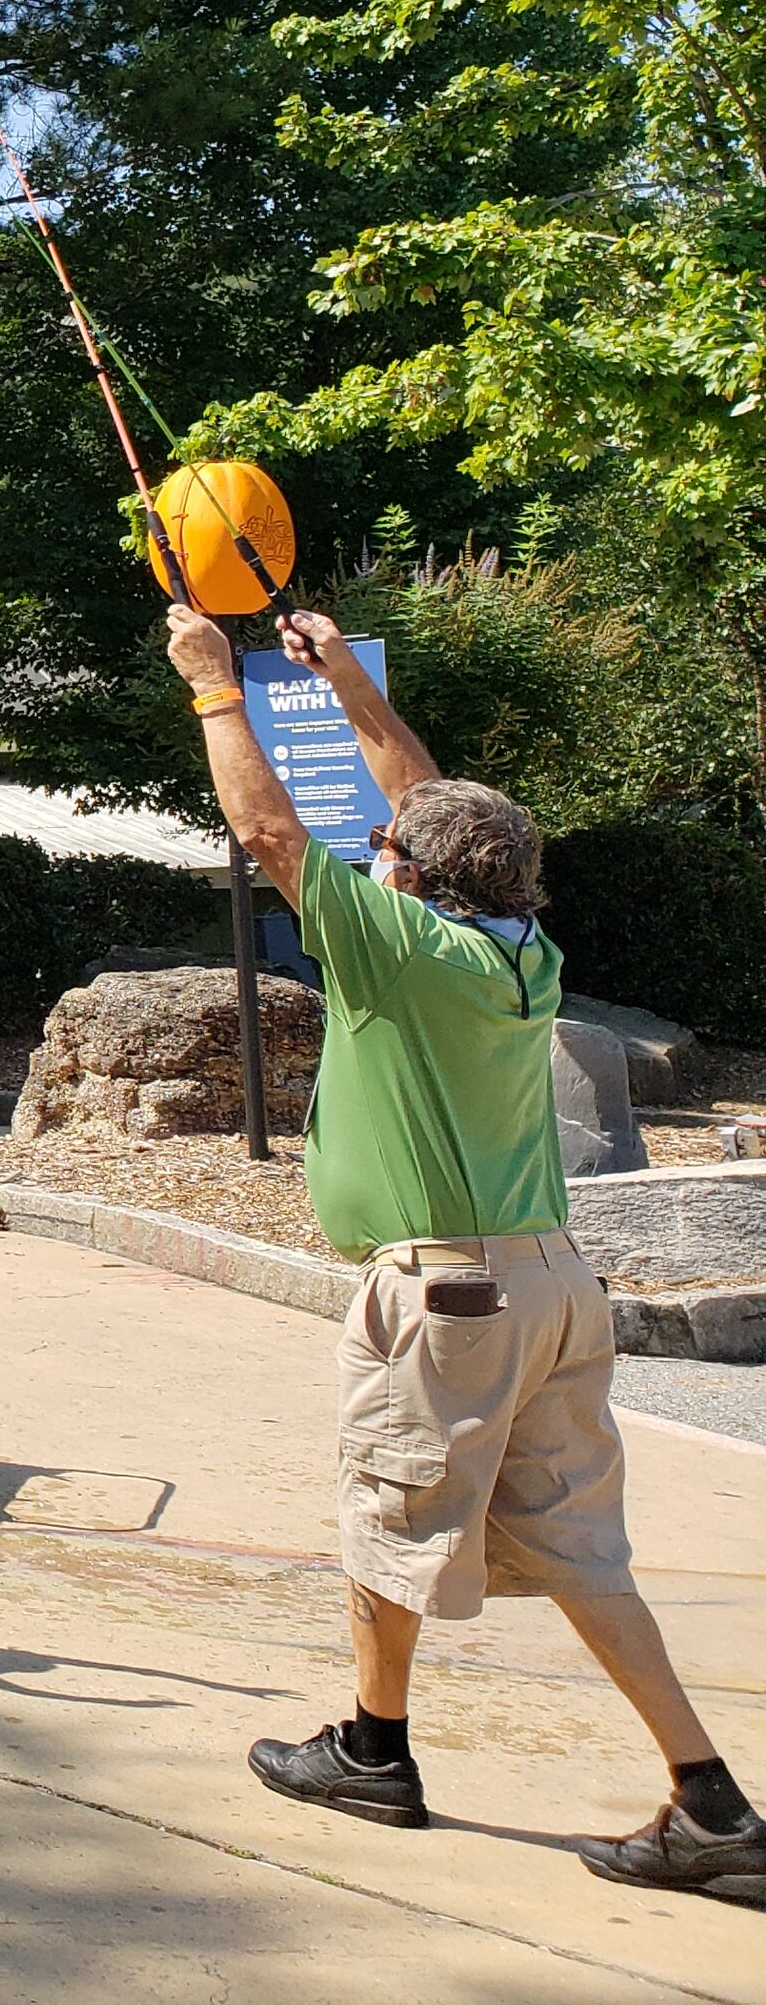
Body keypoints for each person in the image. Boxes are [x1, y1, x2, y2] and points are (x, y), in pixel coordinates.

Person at [170, 601, 764, 1906]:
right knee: (579, 1554)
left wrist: (220, 685)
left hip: (449, 1297)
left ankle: (374, 1753)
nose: (374, 850)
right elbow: (433, 804)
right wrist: (344, 694)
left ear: (411, 882)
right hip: (553, 1282)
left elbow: (269, 832)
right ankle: (712, 1803)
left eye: (387, 850)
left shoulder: (400, 952)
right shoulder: (523, 949)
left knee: (389, 1520)